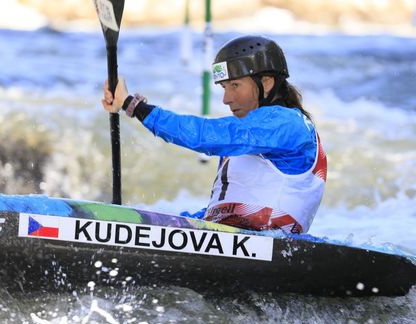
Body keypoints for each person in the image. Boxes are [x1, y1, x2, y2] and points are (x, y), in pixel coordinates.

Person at [102, 35, 327, 234]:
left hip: (277, 250)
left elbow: (204, 135)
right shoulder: (244, 142)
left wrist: (134, 106)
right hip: (236, 240)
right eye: (224, 88)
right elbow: (219, 215)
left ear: (266, 82)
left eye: (235, 86)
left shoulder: (288, 124)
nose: (226, 99)